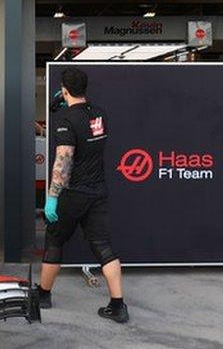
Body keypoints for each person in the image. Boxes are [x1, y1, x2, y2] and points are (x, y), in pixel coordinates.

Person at [38, 67, 129, 323]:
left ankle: (43, 295)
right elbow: (85, 131)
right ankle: (118, 305)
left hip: (72, 194)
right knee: (103, 246)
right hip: (98, 192)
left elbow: (63, 161)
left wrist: (53, 196)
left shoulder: (66, 121)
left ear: (64, 90)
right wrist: (63, 104)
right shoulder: (99, 113)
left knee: (54, 241)